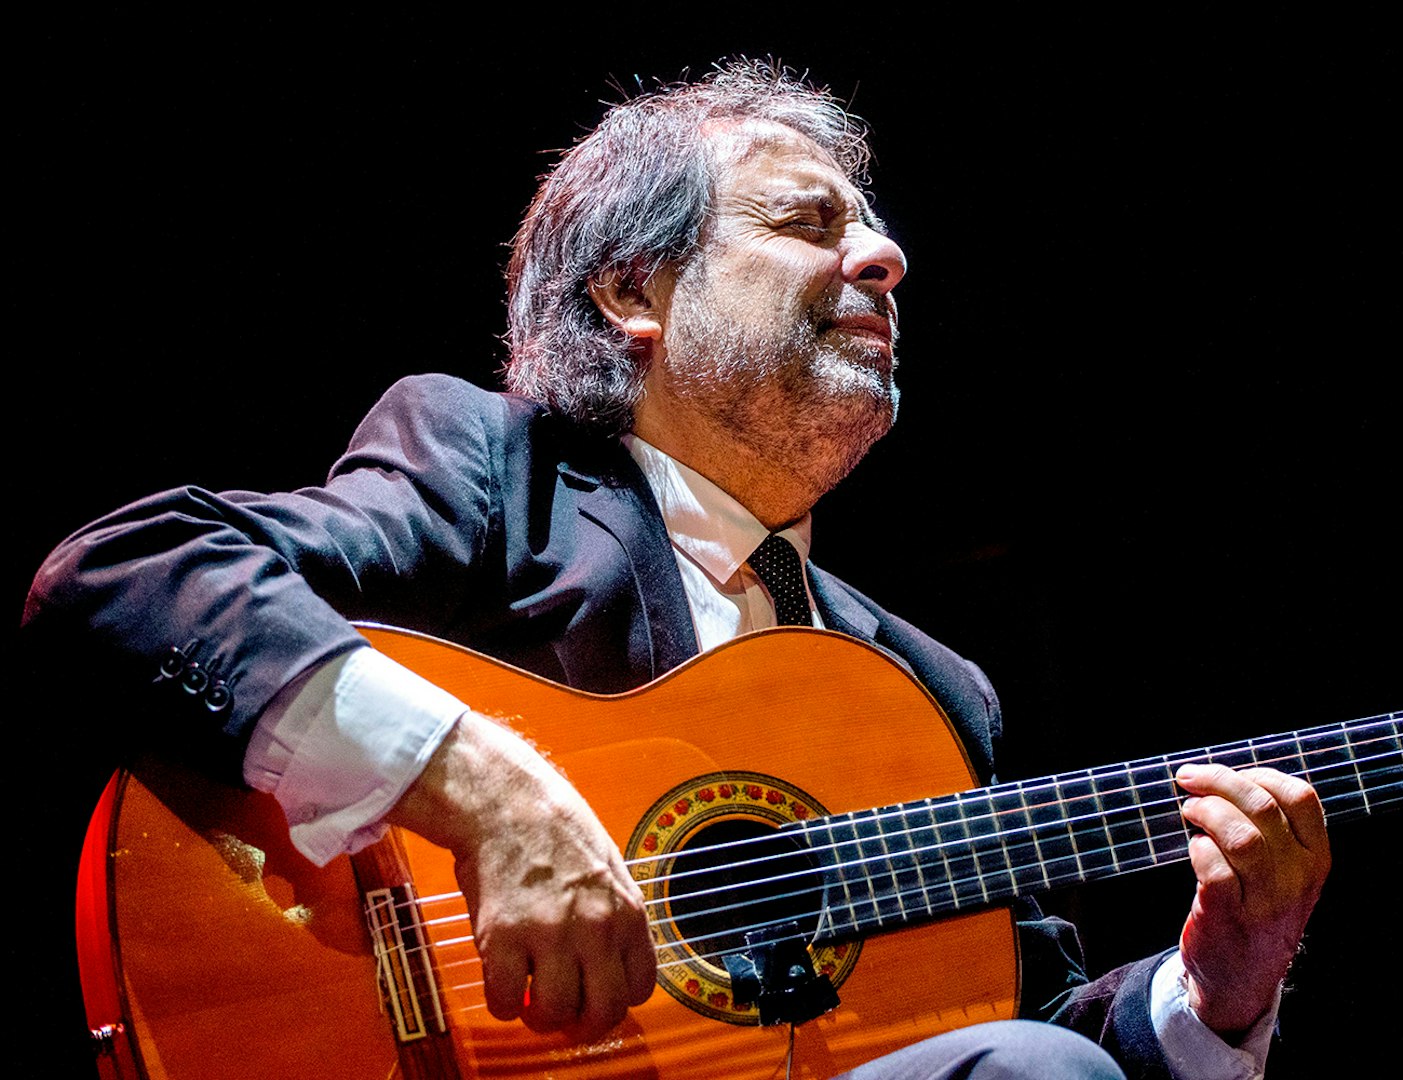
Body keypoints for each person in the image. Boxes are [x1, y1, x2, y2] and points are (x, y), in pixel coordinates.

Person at [23, 60, 1329, 1078]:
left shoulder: (931, 691)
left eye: (875, 233)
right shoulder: (496, 473)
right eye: (805, 222)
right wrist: (487, 794)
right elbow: (130, 573)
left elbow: (1014, 1035)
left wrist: (1218, 990)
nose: (886, 257)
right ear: (633, 293)